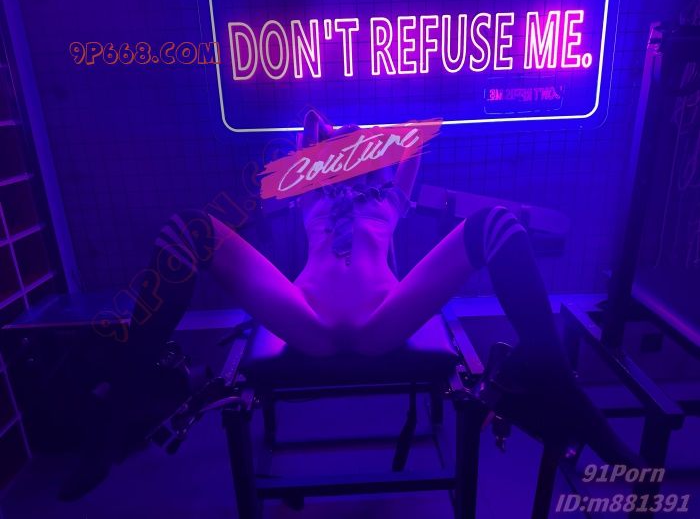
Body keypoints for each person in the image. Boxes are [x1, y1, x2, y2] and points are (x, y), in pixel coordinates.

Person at [59, 110, 642, 501]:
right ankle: (127, 396)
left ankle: (557, 382)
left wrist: (371, 141)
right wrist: (323, 132)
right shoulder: (307, 190)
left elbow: (412, 144)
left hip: (384, 314)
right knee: (190, 229)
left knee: (495, 223)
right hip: (304, 314)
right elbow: (306, 135)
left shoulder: (393, 192)